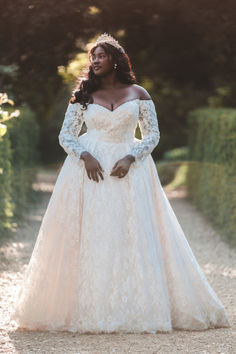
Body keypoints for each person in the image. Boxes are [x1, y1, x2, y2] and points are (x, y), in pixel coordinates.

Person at [10, 33, 230, 334]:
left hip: (131, 170)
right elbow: (66, 135)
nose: (95, 62)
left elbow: (151, 135)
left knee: (133, 232)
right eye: (93, 58)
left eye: (100, 56)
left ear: (115, 60)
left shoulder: (139, 93)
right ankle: (85, 307)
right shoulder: (83, 95)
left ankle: (137, 306)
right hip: (89, 171)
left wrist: (131, 157)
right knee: (92, 232)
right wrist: (84, 154)